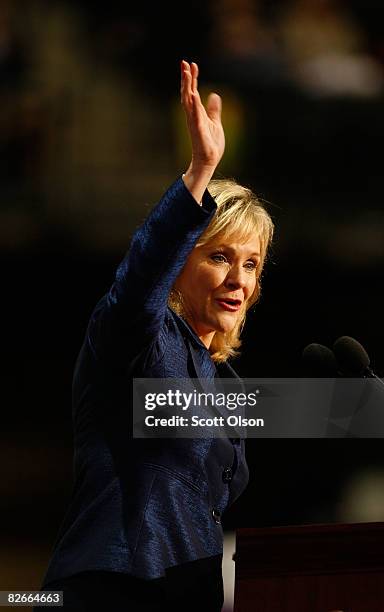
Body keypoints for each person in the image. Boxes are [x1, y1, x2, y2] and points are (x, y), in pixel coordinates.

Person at [35, 61, 274, 611]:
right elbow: (141, 277)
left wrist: (364, 406)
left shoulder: (229, 385)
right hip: (113, 588)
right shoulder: (139, 337)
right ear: (180, 265)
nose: (238, 279)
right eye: (219, 257)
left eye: (252, 265)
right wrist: (199, 174)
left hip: (187, 595)